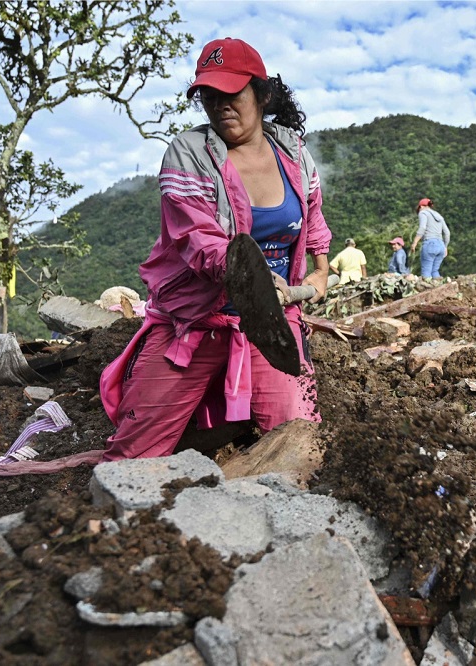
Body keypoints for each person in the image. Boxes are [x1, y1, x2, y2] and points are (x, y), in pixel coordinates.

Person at [99, 37, 332, 461]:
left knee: (302, 444)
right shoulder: (189, 153)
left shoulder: (294, 153)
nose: (220, 104)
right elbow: (199, 241)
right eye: (209, 94)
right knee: (133, 457)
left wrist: (316, 272)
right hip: (196, 321)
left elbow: (313, 223)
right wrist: (254, 281)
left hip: (271, 326)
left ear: (261, 95)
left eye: (232, 93)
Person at [410, 198, 450, 278]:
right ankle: (440, 289)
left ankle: (427, 289)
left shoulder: (423, 213)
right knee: (435, 271)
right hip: (441, 245)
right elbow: (447, 233)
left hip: (430, 244)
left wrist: (414, 243)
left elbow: (422, 228)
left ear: (421, 206)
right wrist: (445, 247)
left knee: (426, 272)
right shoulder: (439, 215)